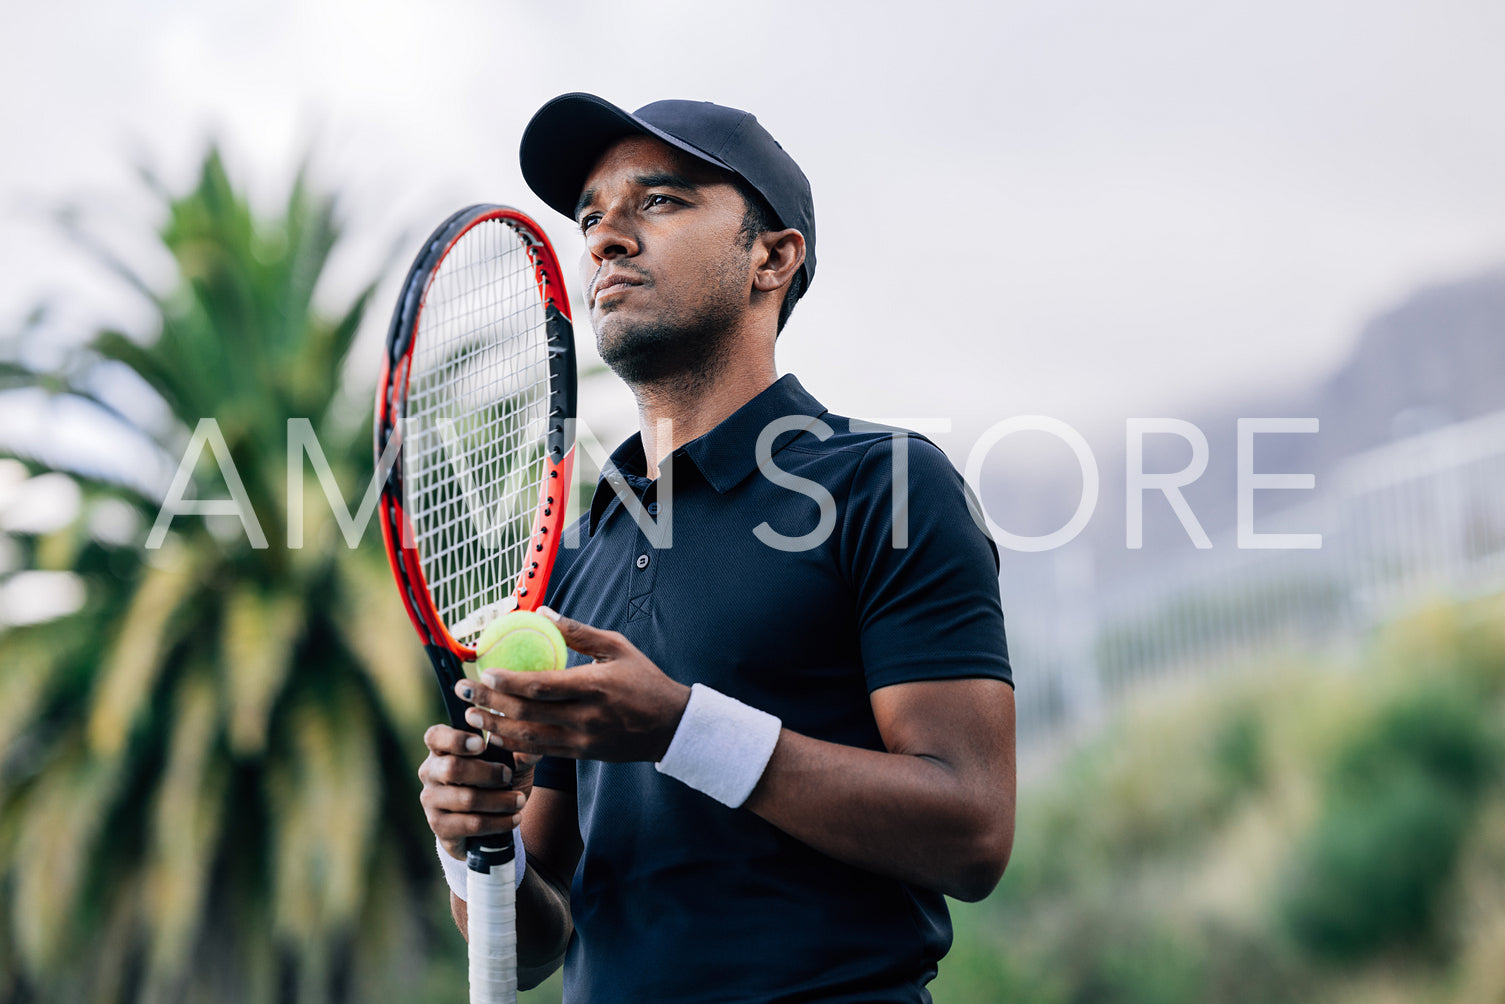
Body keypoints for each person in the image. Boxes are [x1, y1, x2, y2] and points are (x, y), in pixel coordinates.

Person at [417, 92, 1016, 1003]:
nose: (606, 237)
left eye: (658, 201)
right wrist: (474, 849)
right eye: (589, 217)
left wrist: (678, 728)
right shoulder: (571, 558)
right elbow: (533, 946)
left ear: (771, 259)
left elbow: (970, 832)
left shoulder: (884, 486)